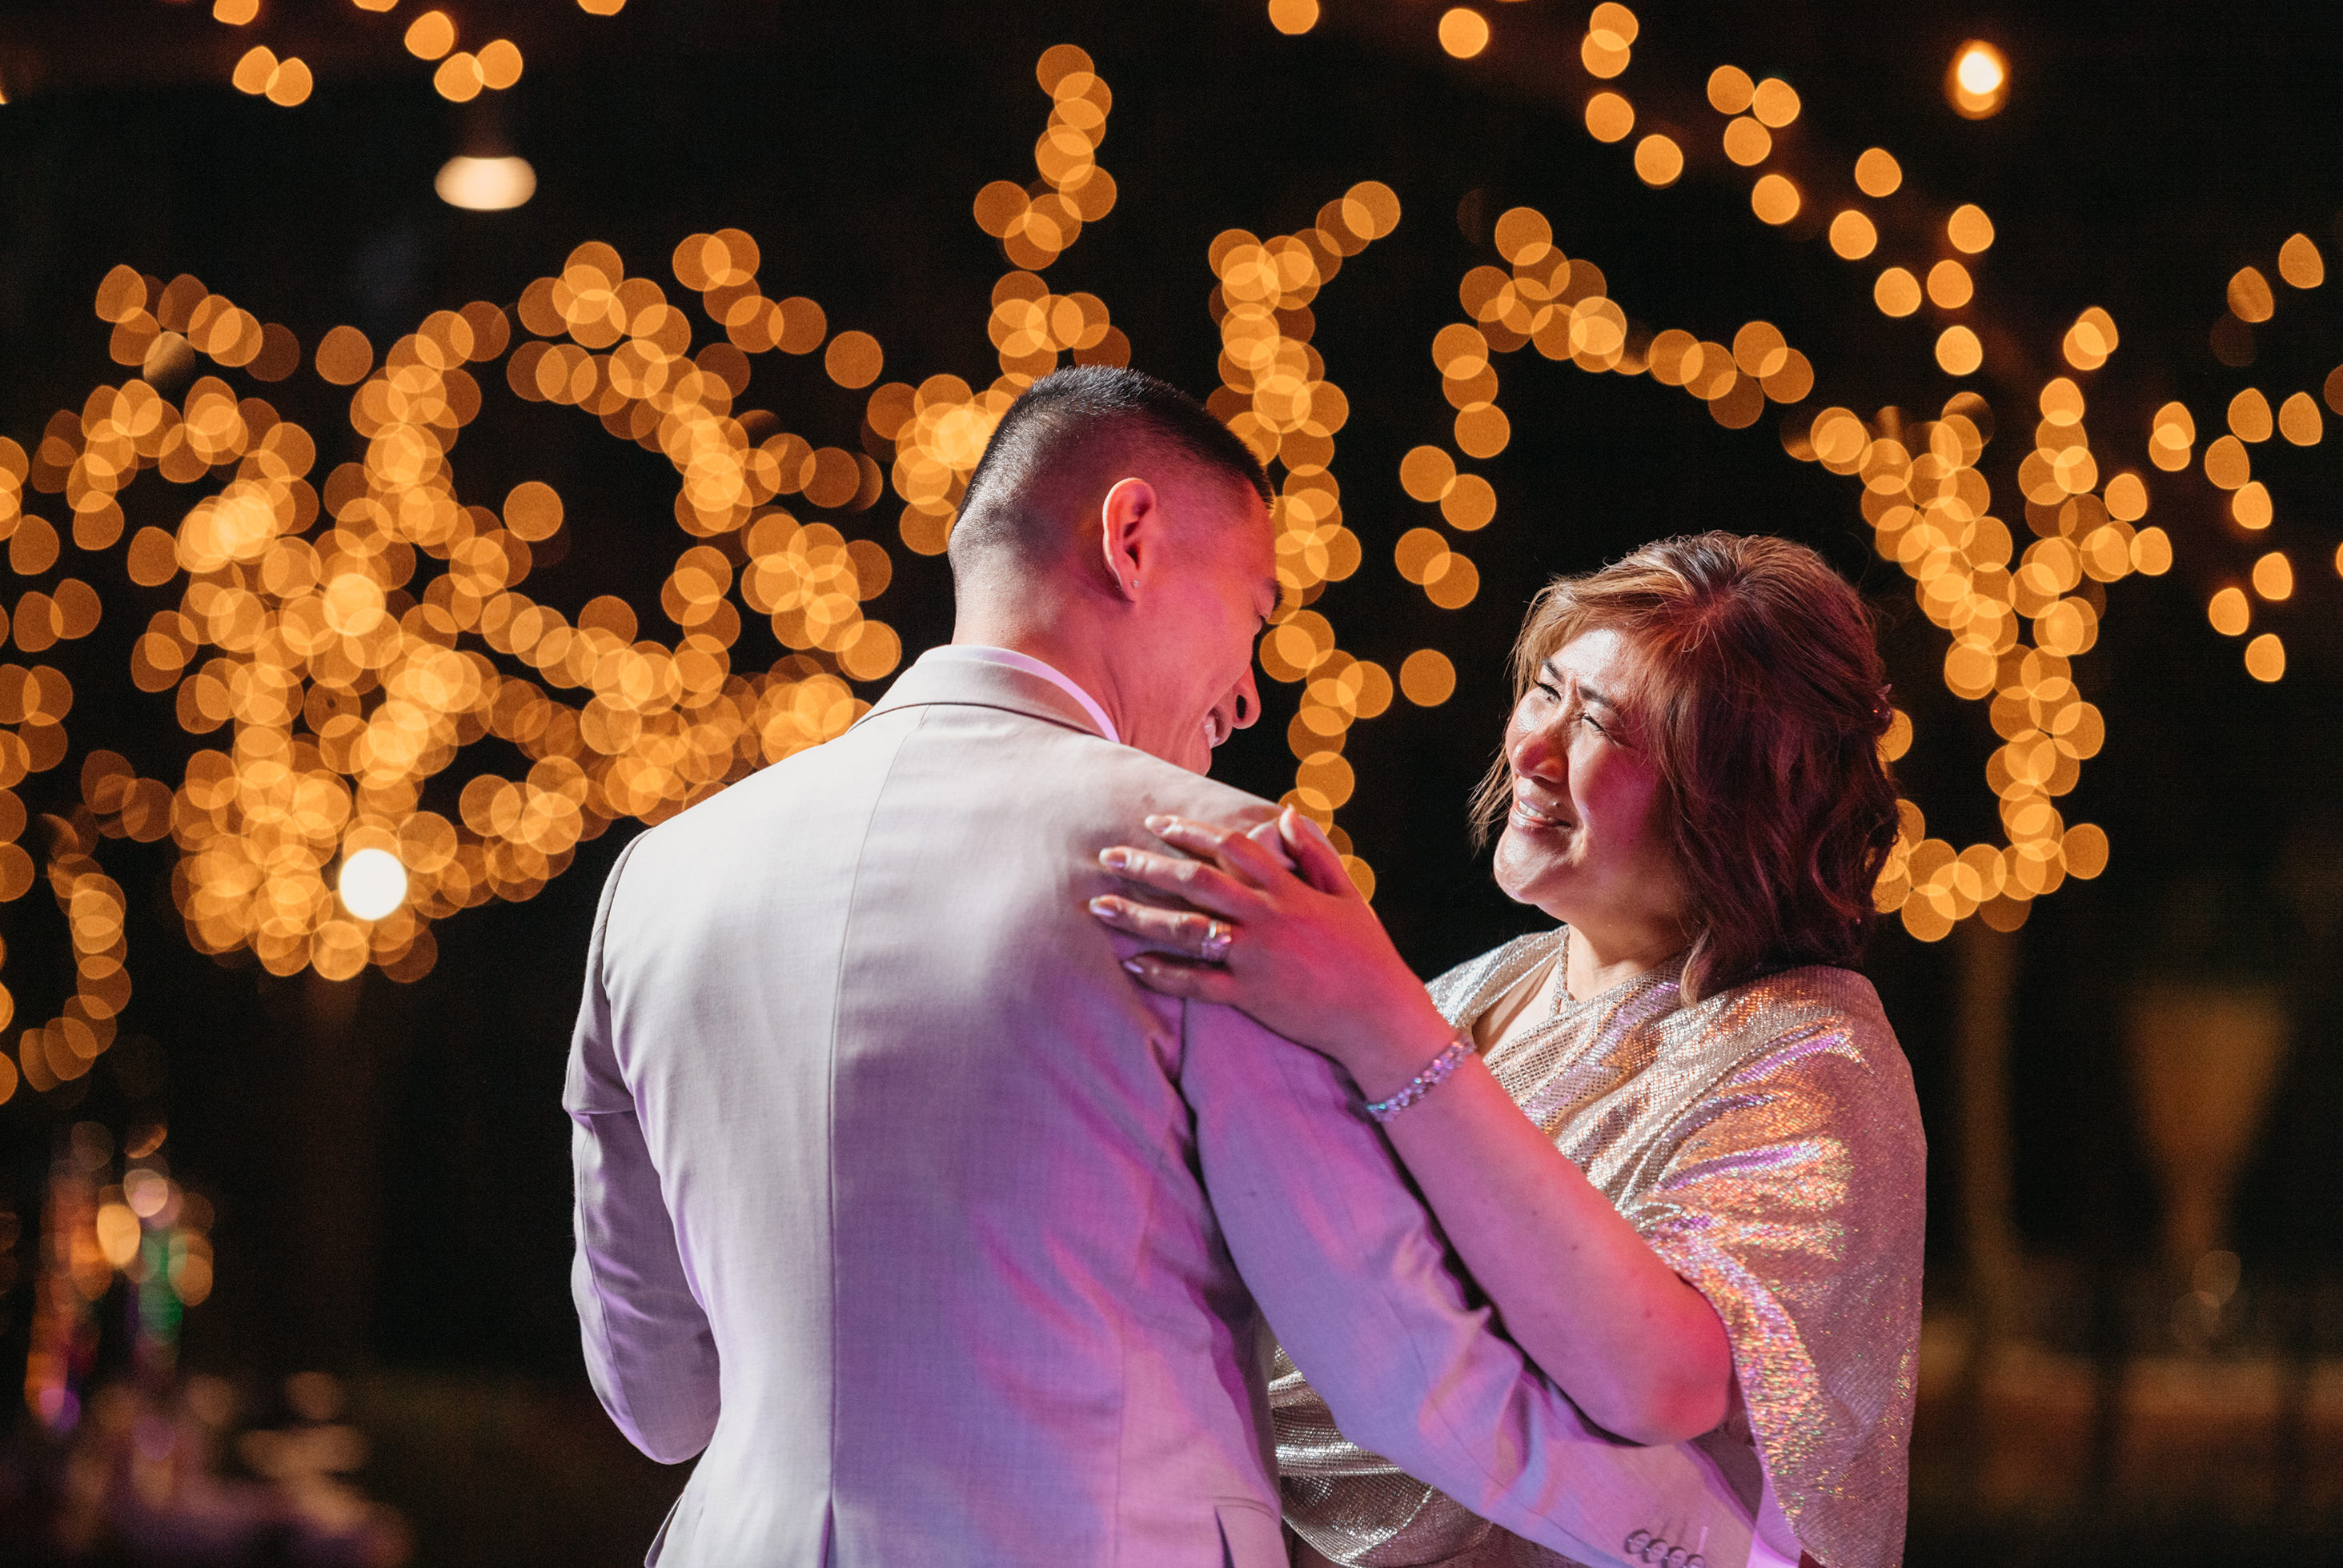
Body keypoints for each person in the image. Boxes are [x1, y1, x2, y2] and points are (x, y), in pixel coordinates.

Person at [566, 369, 1757, 1568]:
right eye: (1250, 613)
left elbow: (658, 1399)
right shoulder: (1211, 866)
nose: (1244, 693)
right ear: (1131, 539)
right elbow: (1403, 1370)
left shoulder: (658, 879)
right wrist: (1717, 1552)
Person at [1089, 533, 1927, 1568]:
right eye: (1546, 691)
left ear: (1734, 800)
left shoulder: (1811, 1058)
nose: (1533, 750)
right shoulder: (1500, 983)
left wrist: (1373, 1015)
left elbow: (1657, 1380)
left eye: (1604, 725)